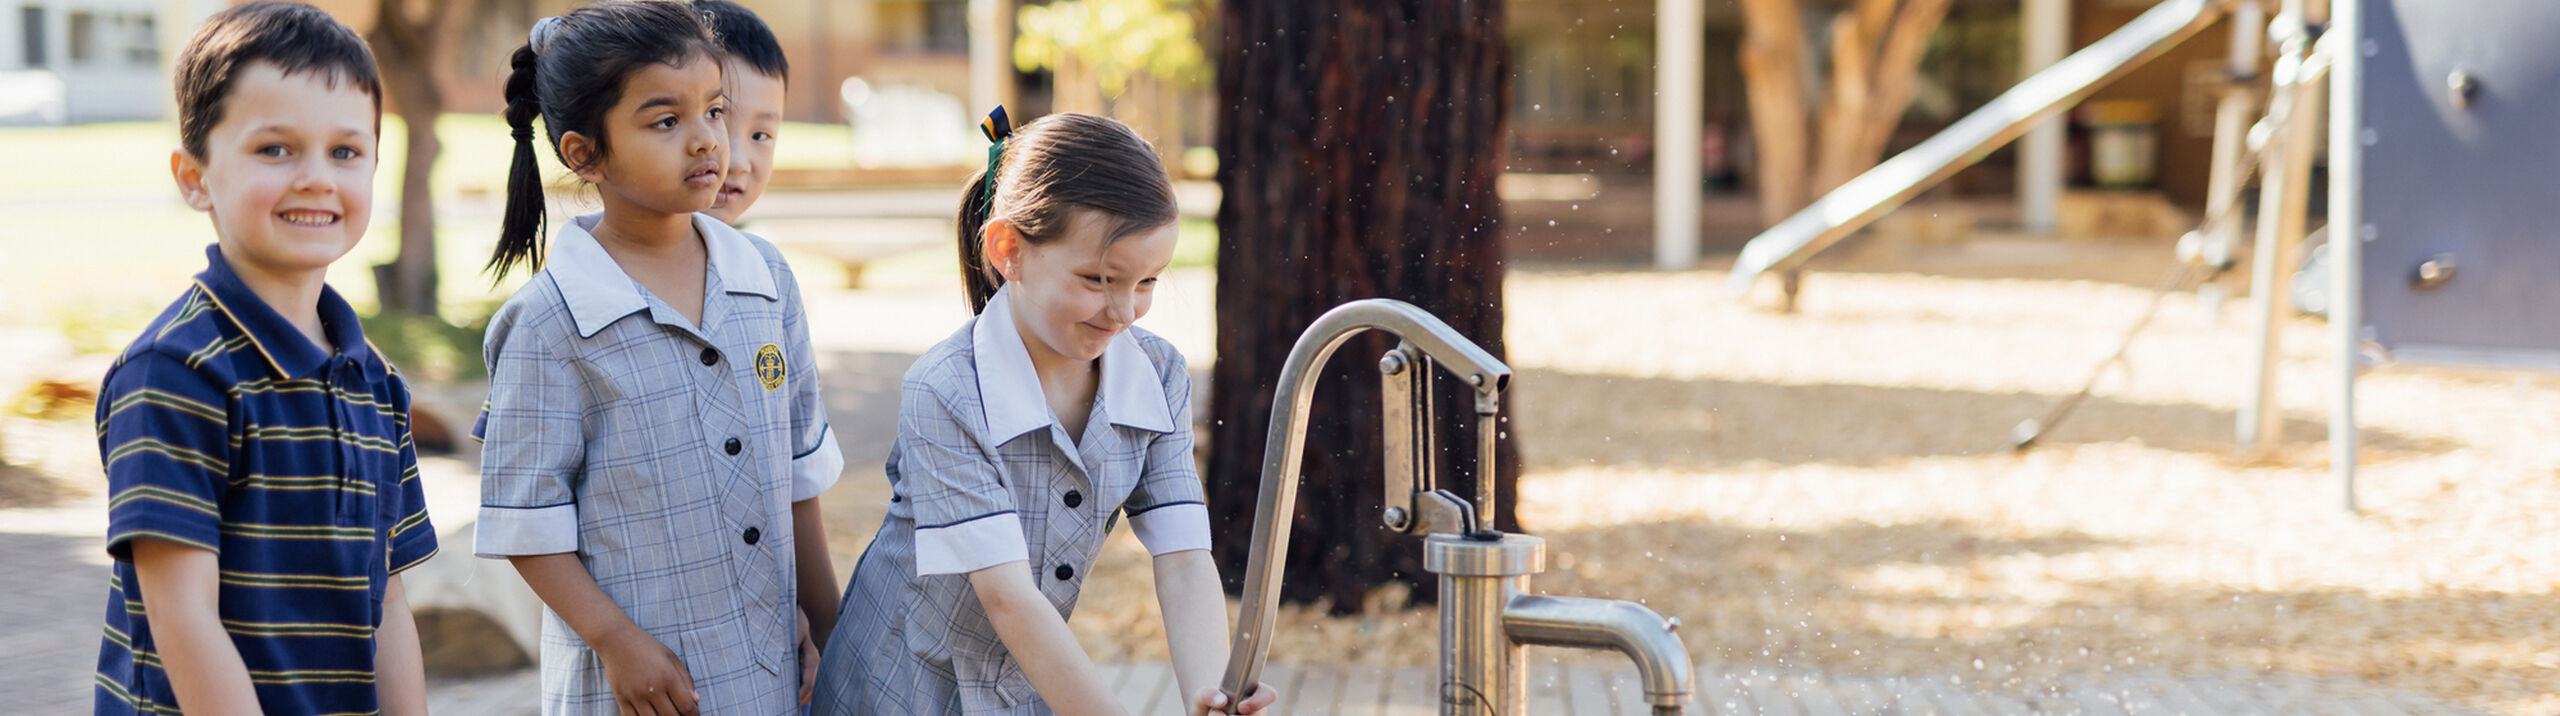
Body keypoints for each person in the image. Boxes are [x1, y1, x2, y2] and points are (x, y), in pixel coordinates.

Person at [810, 108, 1277, 716]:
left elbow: (1184, 556)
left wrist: (1210, 691)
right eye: (1098, 279)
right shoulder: (948, 389)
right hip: (897, 689)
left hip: (1026, 680)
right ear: (1010, 249)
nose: (1124, 310)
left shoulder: (1156, 374)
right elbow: (1009, 600)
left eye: (1148, 281)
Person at [471, 2, 842, 713]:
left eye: (715, 110)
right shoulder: (549, 324)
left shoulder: (765, 280)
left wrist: (834, 632)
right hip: (636, 690)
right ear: (585, 153)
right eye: (666, 121)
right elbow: (525, 520)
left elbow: (798, 475)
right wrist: (614, 639)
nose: (708, 141)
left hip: (767, 679)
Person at [92, 3, 437, 713]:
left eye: (345, 152)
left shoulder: (376, 381)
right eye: (276, 149)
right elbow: (183, 616)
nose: (316, 178)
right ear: (194, 177)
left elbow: (390, 602)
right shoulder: (175, 373)